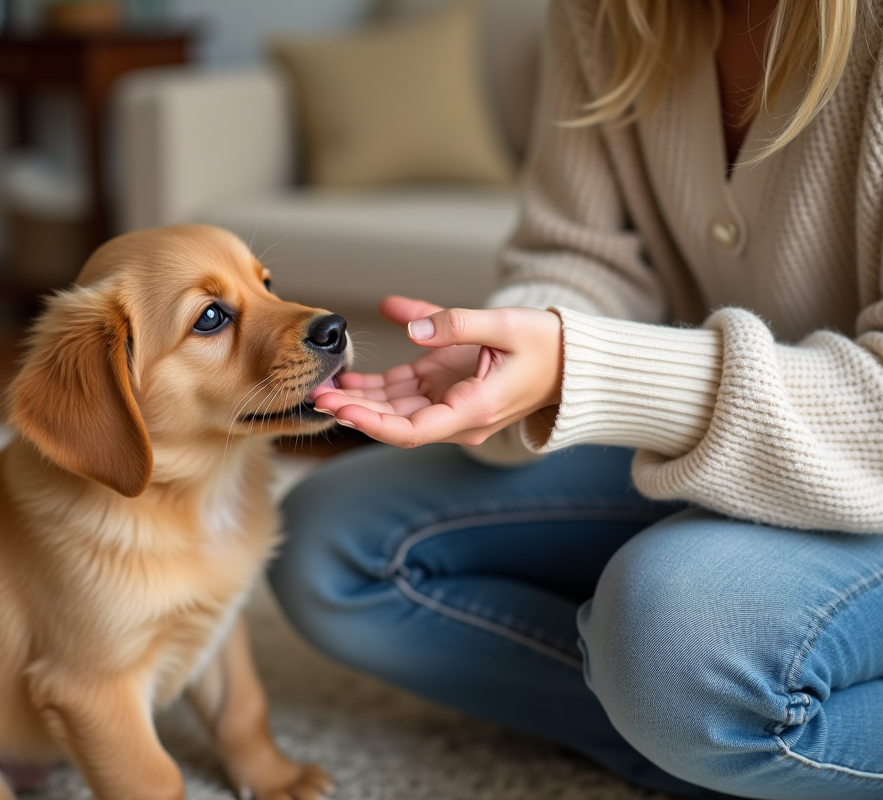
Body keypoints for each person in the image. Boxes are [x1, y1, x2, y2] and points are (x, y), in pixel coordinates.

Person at [269, 1, 883, 798]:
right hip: (718, 453)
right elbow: (582, 252)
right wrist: (520, 350)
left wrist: (583, 367)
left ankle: (706, 724)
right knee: (326, 547)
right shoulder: (606, 12)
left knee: (675, 637)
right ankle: (704, 750)